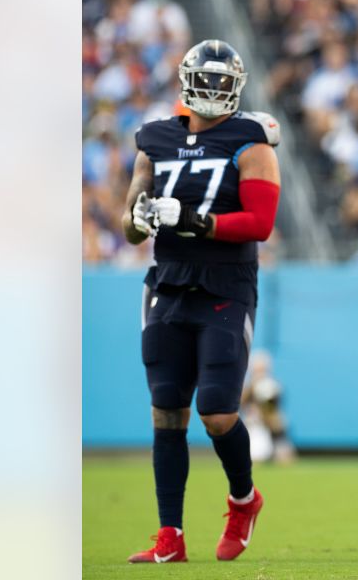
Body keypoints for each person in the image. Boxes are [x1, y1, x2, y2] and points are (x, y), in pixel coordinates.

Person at [122, 39, 280, 563]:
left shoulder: (251, 139)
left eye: (222, 83)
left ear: (236, 88)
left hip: (225, 285)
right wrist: (138, 219)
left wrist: (195, 221)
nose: (212, 92)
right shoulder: (155, 139)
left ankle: (243, 499)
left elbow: (259, 223)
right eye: (205, 81)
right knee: (166, 412)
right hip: (167, 284)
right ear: (188, 83)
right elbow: (129, 224)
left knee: (216, 412)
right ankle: (170, 536)